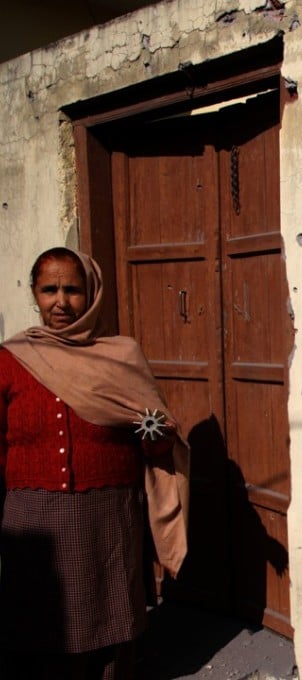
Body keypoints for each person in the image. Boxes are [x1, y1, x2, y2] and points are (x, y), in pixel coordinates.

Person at [0, 247, 189, 679]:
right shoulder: (10, 360)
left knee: (111, 625)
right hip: (32, 518)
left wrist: (157, 435)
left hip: (108, 516)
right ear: (34, 293)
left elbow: (155, 445)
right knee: (37, 624)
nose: (61, 302)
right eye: (50, 290)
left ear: (92, 294)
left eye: (73, 290)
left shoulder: (120, 357)